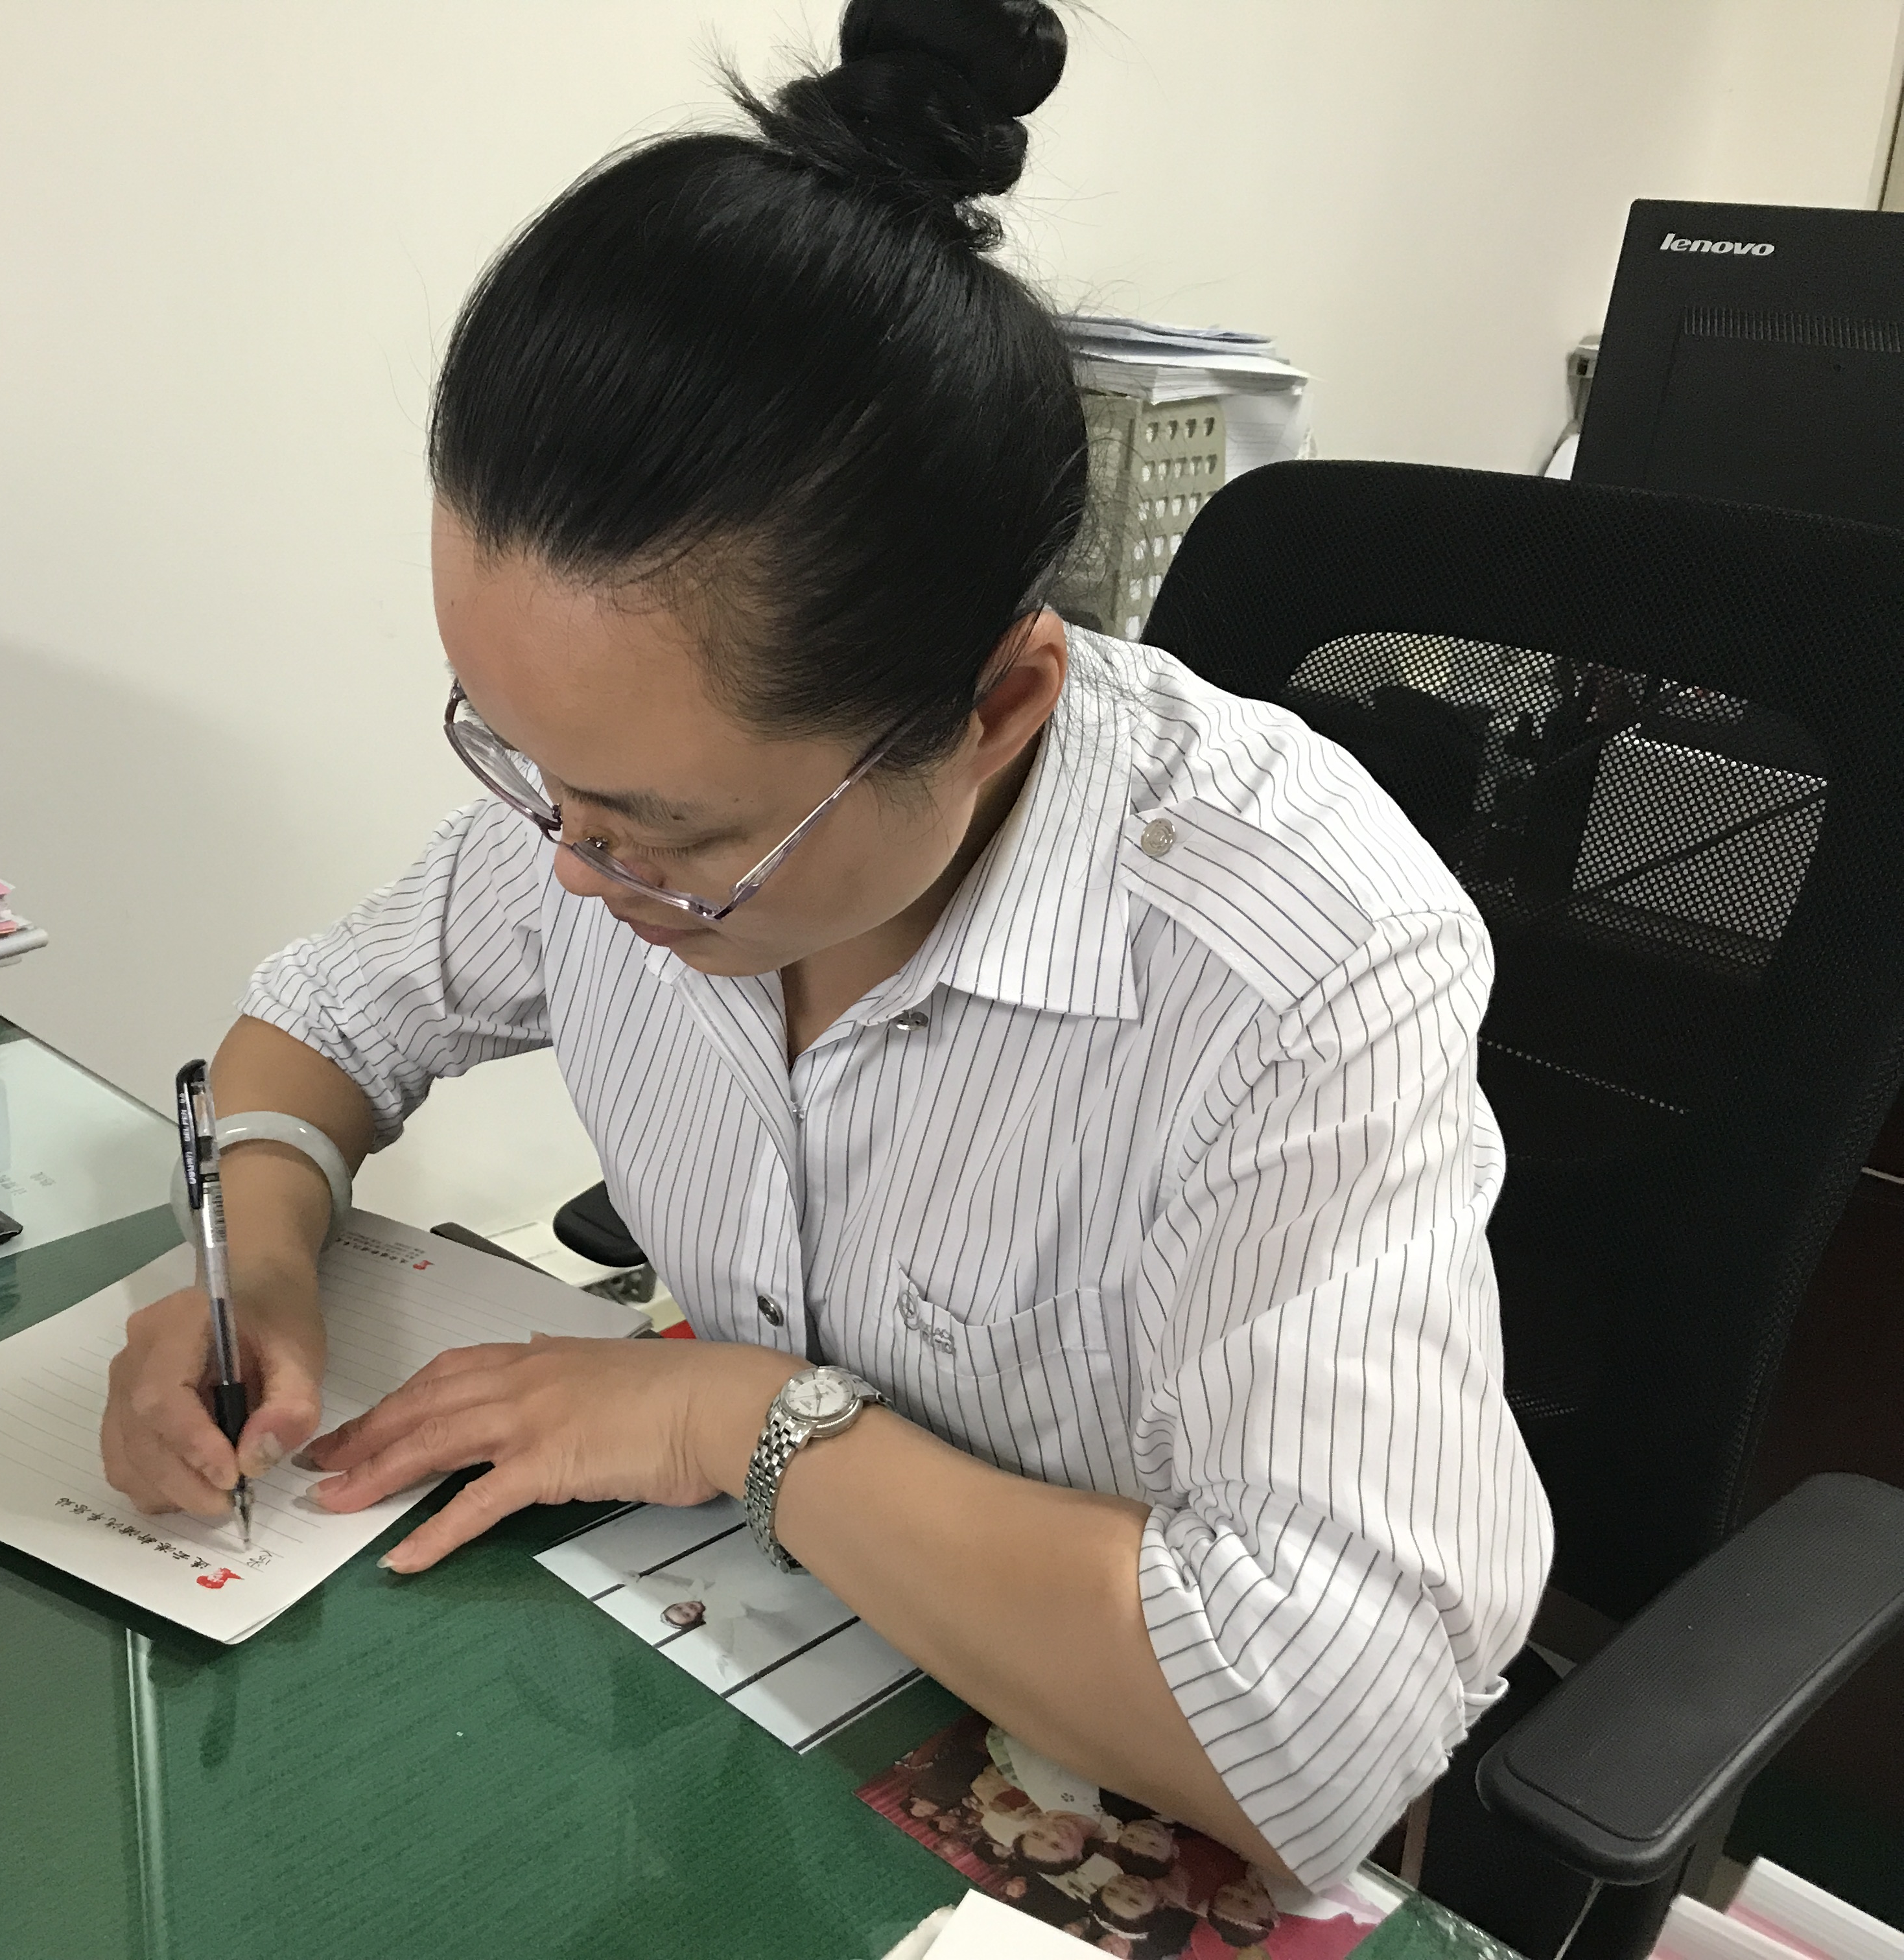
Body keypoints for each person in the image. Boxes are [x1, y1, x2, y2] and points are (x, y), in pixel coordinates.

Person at [99, 0, 1548, 1887]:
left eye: (677, 833)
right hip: (747, 1709)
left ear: (999, 705)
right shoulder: (612, 818)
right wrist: (254, 1267)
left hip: (1105, 1784)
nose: (574, 873)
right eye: (522, 763)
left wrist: (743, 1423)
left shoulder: (1292, 960)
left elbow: (1314, 1732)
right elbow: (323, 1021)